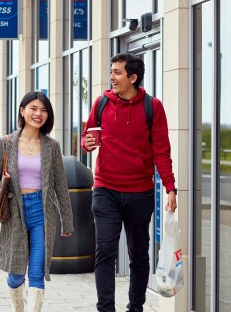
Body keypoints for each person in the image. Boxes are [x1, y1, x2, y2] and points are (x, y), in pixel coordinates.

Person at [81, 53, 177, 312]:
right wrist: (86, 144)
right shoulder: (101, 103)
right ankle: (106, 309)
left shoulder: (152, 107)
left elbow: (161, 151)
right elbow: (87, 138)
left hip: (140, 193)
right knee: (105, 252)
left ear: (132, 77)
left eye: (117, 72)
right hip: (105, 190)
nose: (111, 77)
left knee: (139, 253)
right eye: (111, 71)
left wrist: (170, 187)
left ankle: (136, 307)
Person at [0, 91, 74, 312]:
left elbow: (61, 186)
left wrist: (67, 221)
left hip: (42, 213)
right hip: (15, 213)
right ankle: (17, 307)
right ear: (22, 111)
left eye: (43, 110)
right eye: (33, 108)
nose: (38, 114)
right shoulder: (6, 143)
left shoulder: (52, 146)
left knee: (37, 273)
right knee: (15, 275)